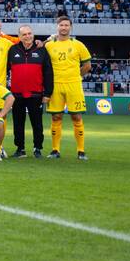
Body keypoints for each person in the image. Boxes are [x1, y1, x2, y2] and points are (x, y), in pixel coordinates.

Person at [44, 15, 92, 160]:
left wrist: (77, 77)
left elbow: (87, 66)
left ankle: (81, 151)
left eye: (66, 25)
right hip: (56, 85)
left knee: (76, 117)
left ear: (70, 27)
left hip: (74, 85)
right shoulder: (49, 45)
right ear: (57, 27)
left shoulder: (78, 45)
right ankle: (55, 150)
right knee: (56, 117)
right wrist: (47, 39)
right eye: (61, 25)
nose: (63, 27)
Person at [6, 25, 53, 158]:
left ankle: (37, 148)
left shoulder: (42, 50)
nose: (27, 36)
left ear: (33, 35)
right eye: (24, 34)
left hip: (36, 94)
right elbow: (5, 71)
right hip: (17, 95)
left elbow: (48, 73)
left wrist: (47, 93)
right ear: (19, 37)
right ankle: (20, 149)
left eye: (29, 33)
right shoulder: (12, 50)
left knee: (37, 123)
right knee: (18, 123)